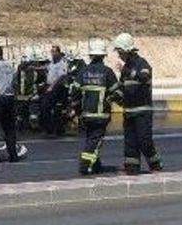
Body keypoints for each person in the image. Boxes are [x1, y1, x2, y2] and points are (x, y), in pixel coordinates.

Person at [112, 32, 163, 175]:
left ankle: (156, 165)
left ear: (127, 50)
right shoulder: (126, 68)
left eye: (120, 52)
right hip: (129, 111)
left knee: (144, 140)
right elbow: (122, 87)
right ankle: (131, 168)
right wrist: (113, 97)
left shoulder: (142, 63)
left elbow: (144, 77)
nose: (119, 55)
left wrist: (127, 71)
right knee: (130, 142)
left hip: (142, 111)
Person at [70, 38, 118, 174]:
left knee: (91, 138)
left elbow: (75, 93)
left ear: (91, 55)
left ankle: (97, 165)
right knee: (95, 141)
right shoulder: (107, 72)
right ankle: (85, 165)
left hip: (86, 114)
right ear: (103, 56)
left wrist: (77, 112)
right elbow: (117, 91)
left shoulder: (83, 72)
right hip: (101, 115)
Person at [40, 44, 69, 135]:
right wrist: (33, 68)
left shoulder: (61, 64)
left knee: (51, 108)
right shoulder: (53, 63)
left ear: (59, 53)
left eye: (54, 52)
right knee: (46, 108)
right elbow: (46, 68)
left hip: (57, 89)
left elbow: (61, 76)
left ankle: (55, 129)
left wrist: (52, 86)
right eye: (51, 52)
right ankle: (50, 128)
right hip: (50, 87)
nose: (52, 53)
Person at [14, 47, 36, 130]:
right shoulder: (22, 70)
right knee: (22, 112)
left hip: (28, 95)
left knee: (26, 112)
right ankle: (23, 125)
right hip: (24, 95)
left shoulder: (30, 71)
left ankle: (26, 125)